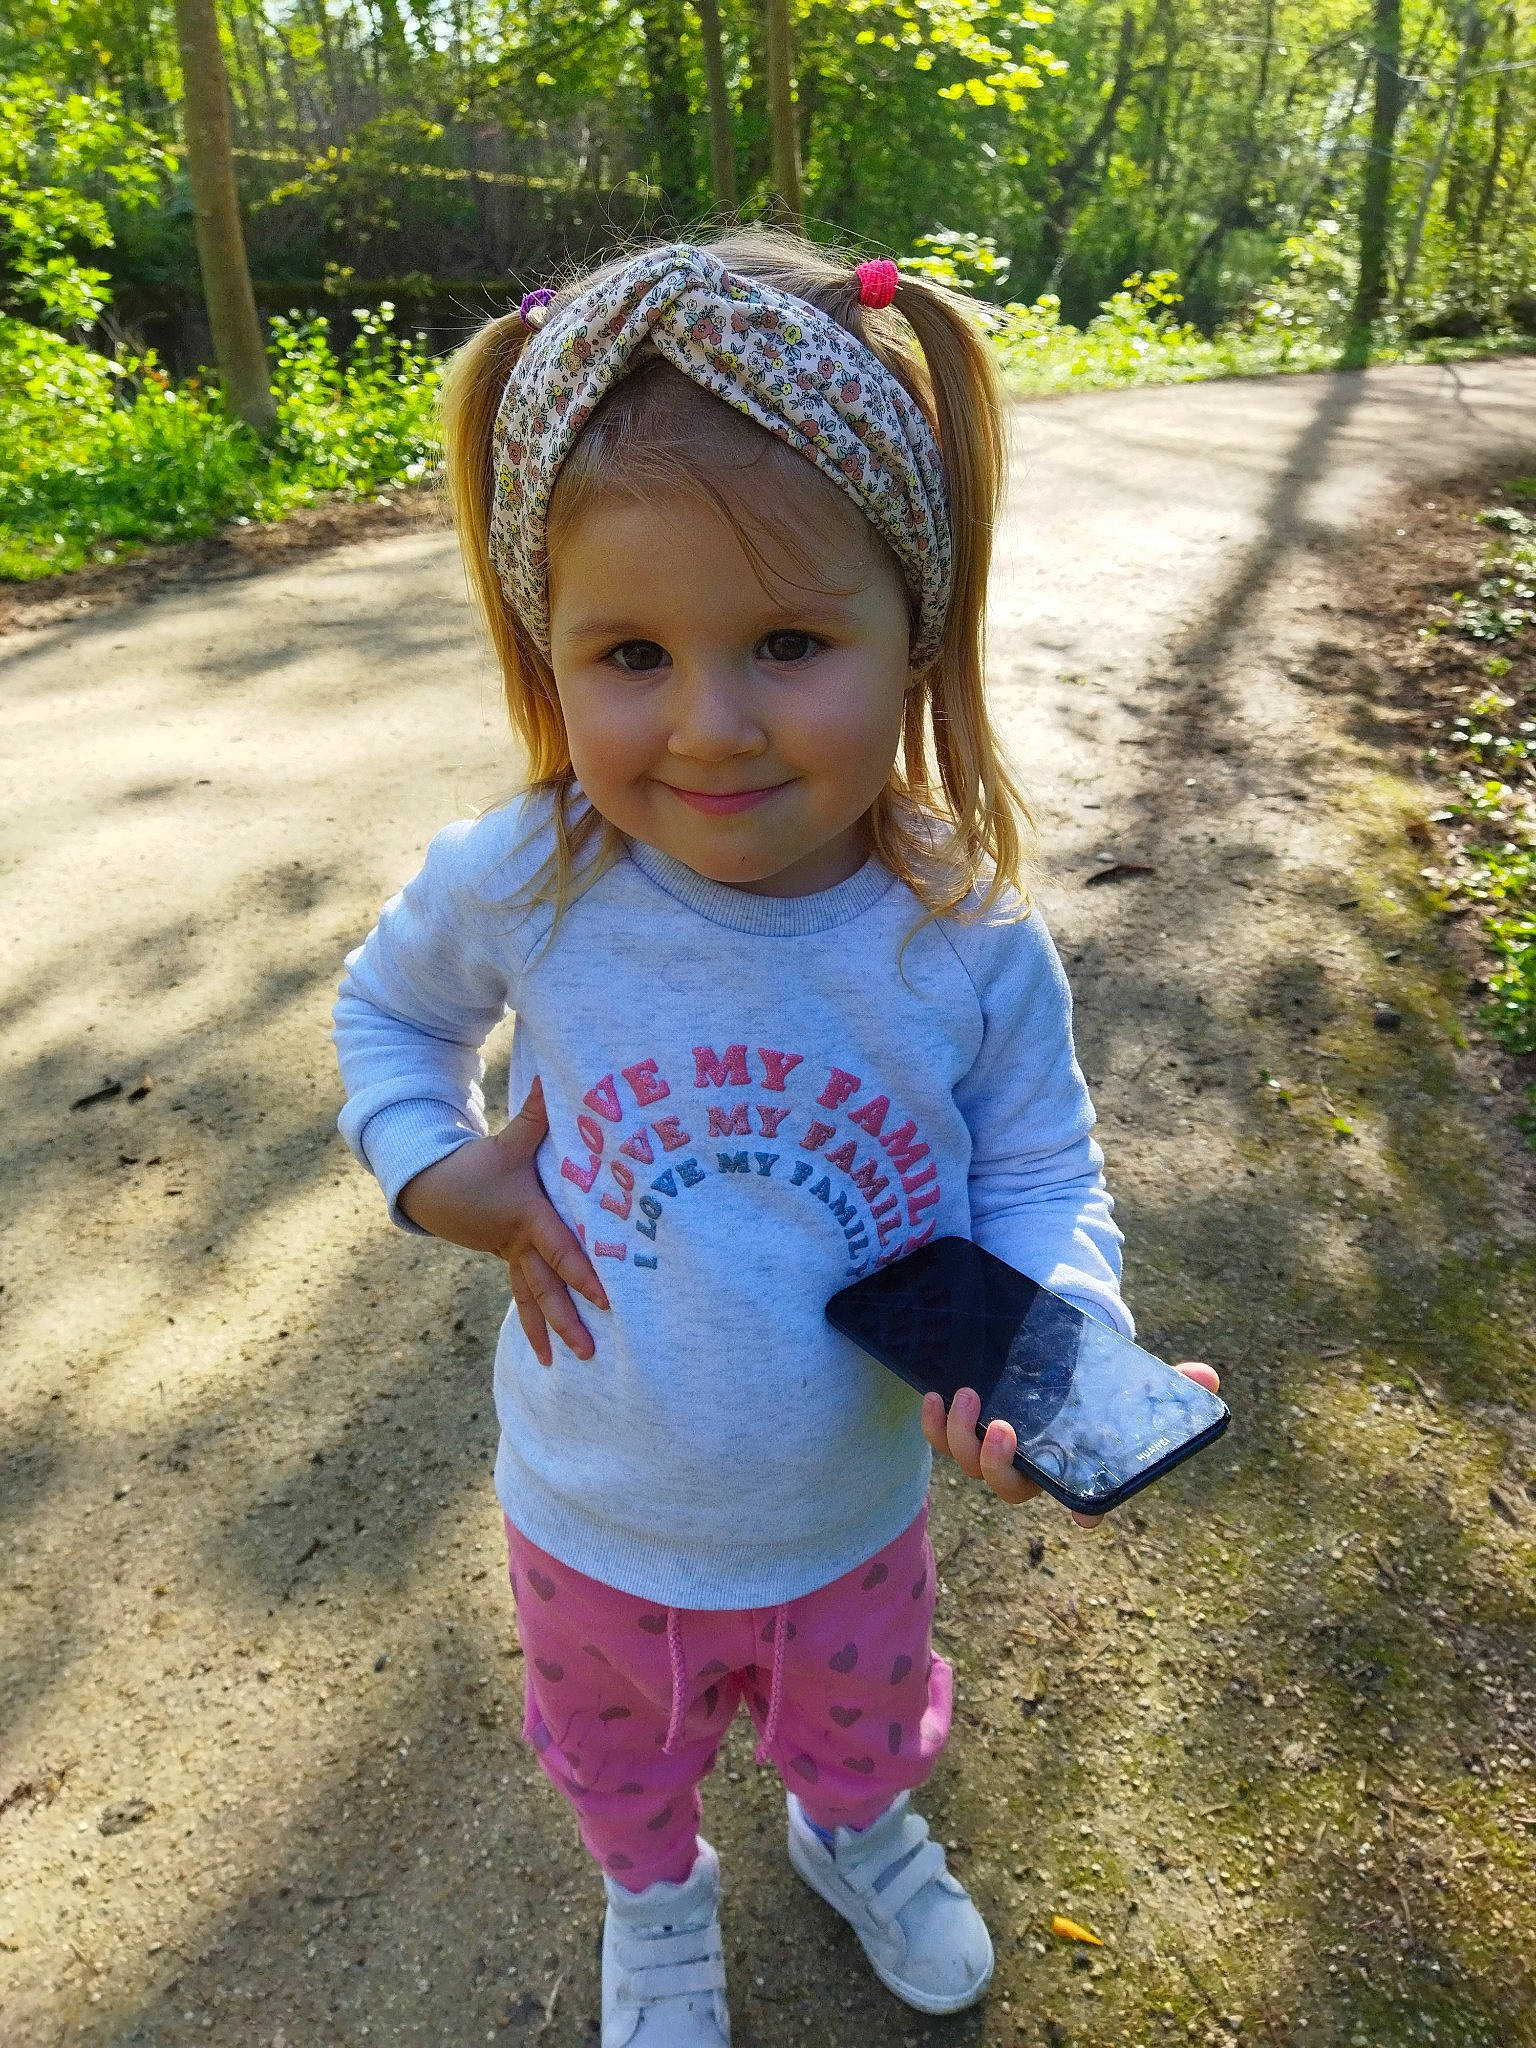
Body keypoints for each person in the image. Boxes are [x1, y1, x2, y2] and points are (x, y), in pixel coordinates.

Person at [332, 229, 1218, 2046]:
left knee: (860, 1721)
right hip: (597, 1506)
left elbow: (1045, 1167)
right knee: (617, 1757)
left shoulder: (958, 930)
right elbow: (389, 1019)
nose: (710, 726)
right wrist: (440, 1174)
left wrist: (1066, 1331)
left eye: (790, 643)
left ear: (915, 632)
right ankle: (655, 1903)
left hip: (848, 1510)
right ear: (545, 644)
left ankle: (855, 1831)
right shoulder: (527, 877)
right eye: (632, 654)